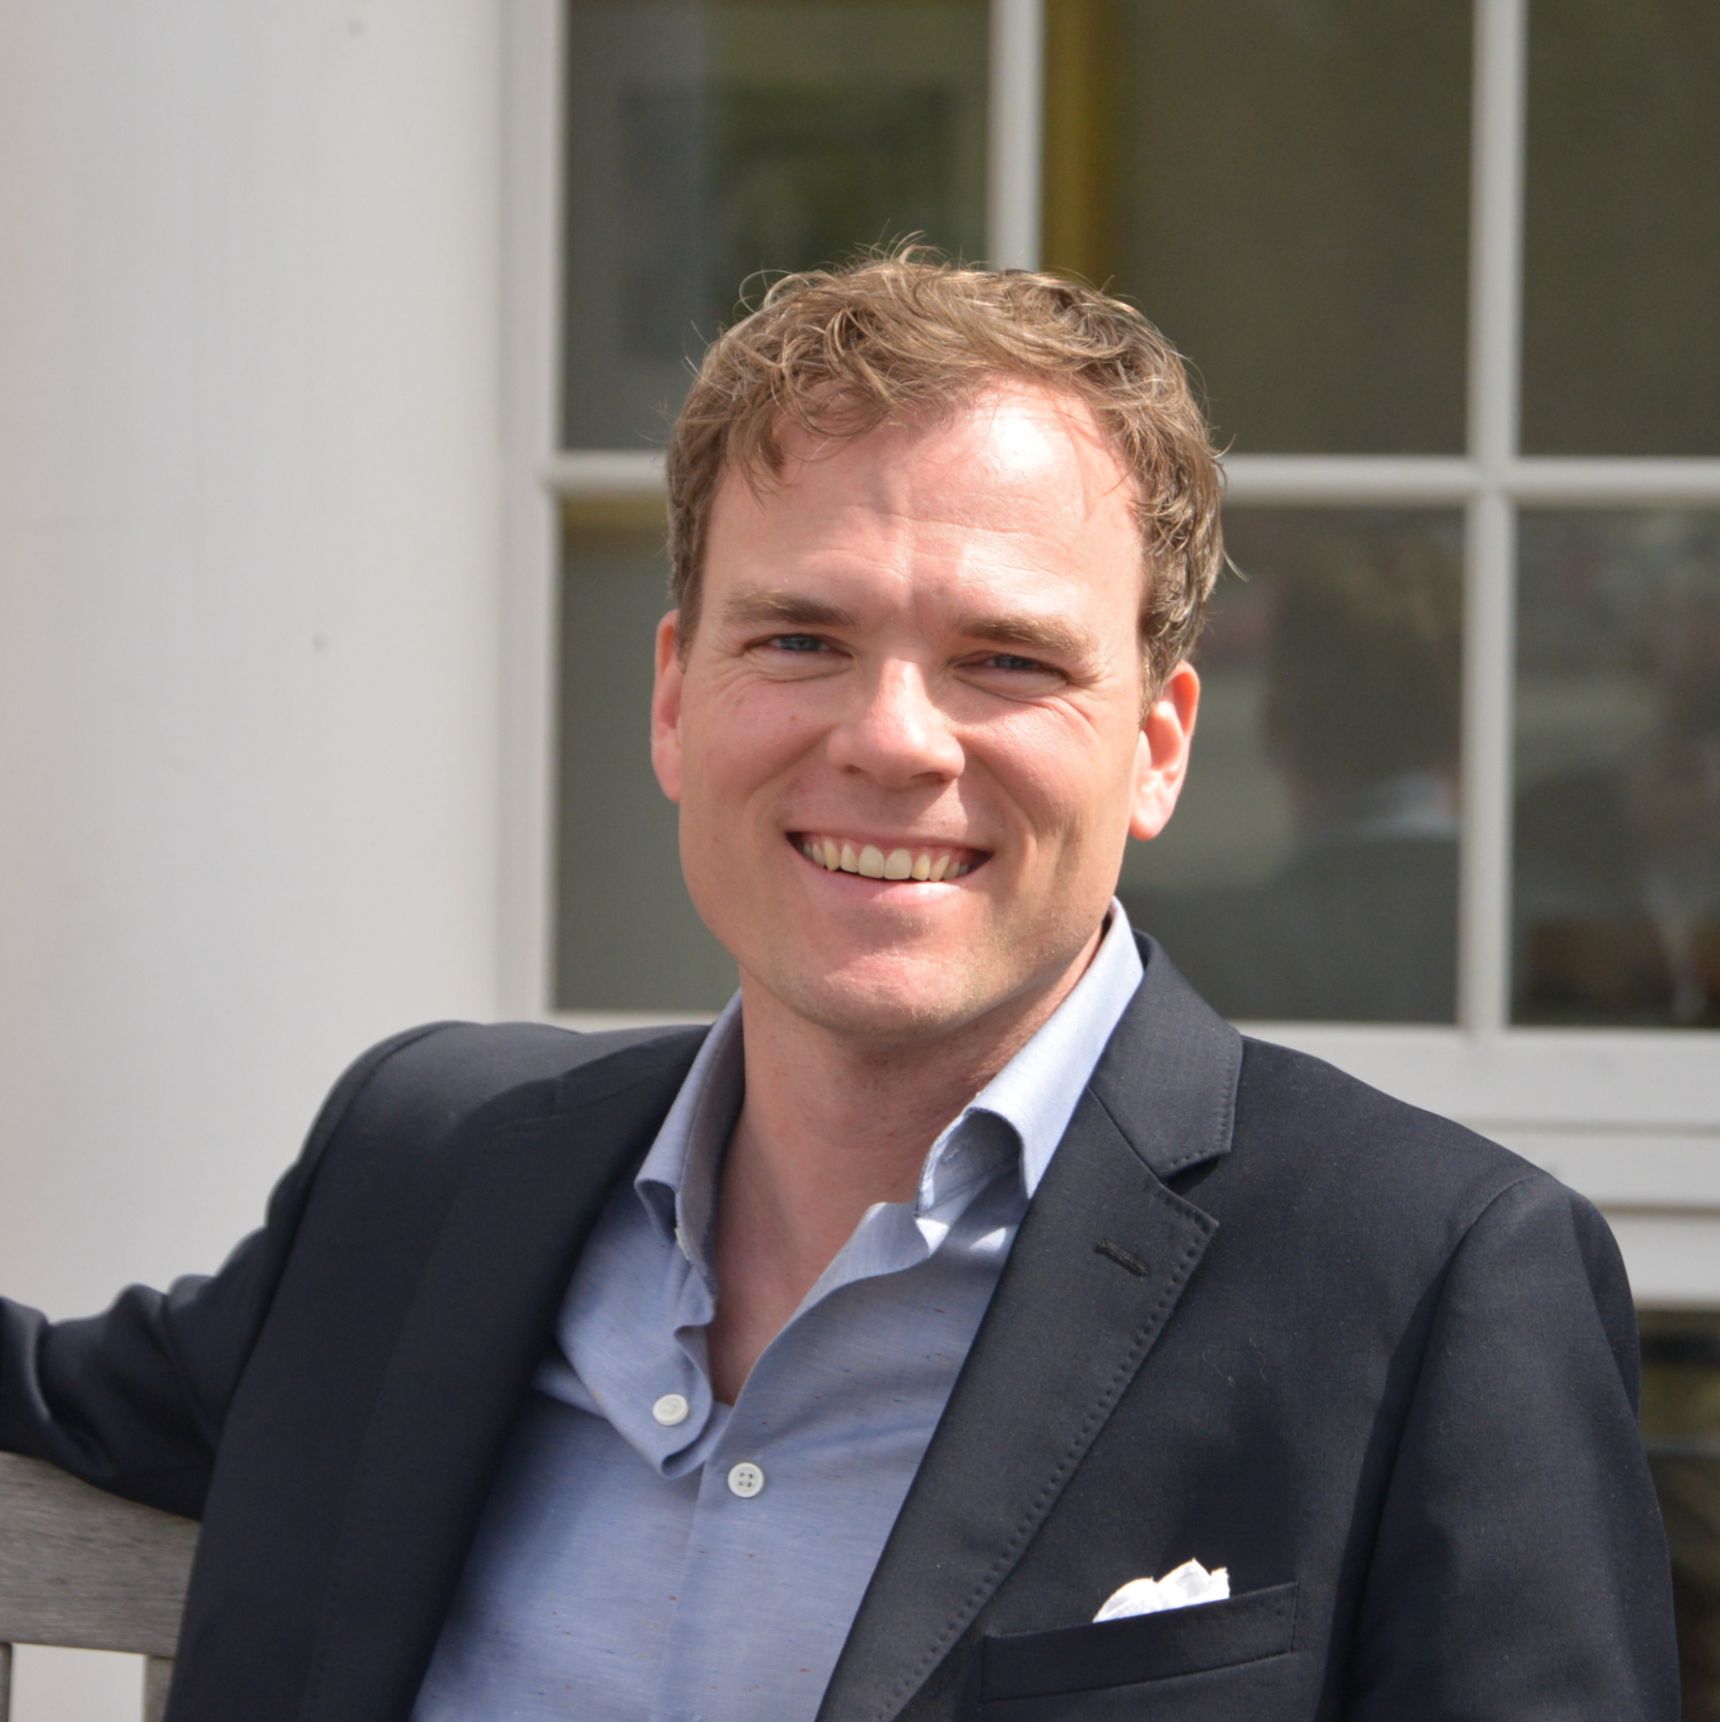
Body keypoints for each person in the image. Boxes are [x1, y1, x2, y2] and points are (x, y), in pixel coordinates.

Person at [1, 254, 1677, 1721]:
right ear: (676, 696)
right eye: (799, 638)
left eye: (1005, 659)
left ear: (1157, 745)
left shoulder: (1434, 1282)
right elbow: (54, 1410)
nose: (888, 736)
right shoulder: (430, 1161)